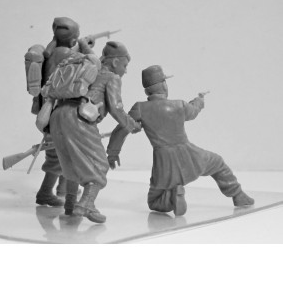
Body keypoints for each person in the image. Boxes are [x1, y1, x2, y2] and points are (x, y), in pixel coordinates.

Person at [107, 65, 254, 216]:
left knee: (154, 202)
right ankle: (238, 195)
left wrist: (112, 153)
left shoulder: (140, 108)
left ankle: (172, 196)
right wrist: (199, 99)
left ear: (146, 91)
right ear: (164, 85)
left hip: (163, 162)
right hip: (189, 155)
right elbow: (193, 111)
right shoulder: (179, 105)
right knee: (218, 163)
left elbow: (121, 129)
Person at [48, 41, 141, 223]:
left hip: (58, 116)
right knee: (99, 165)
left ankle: (70, 204)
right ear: (115, 62)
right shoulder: (111, 77)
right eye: (125, 65)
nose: (125, 70)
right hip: (79, 118)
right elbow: (116, 108)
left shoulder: (87, 70)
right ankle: (86, 204)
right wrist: (132, 125)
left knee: (71, 162)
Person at [25, 17, 94, 210]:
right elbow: (92, 63)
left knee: (65, 152)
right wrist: (85, 46)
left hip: (52, 109)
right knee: (58, 155)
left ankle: (63, 189)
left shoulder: (54, 53)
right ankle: (45, 192)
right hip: (58, 111)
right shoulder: (66, 54)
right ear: (73, 39)